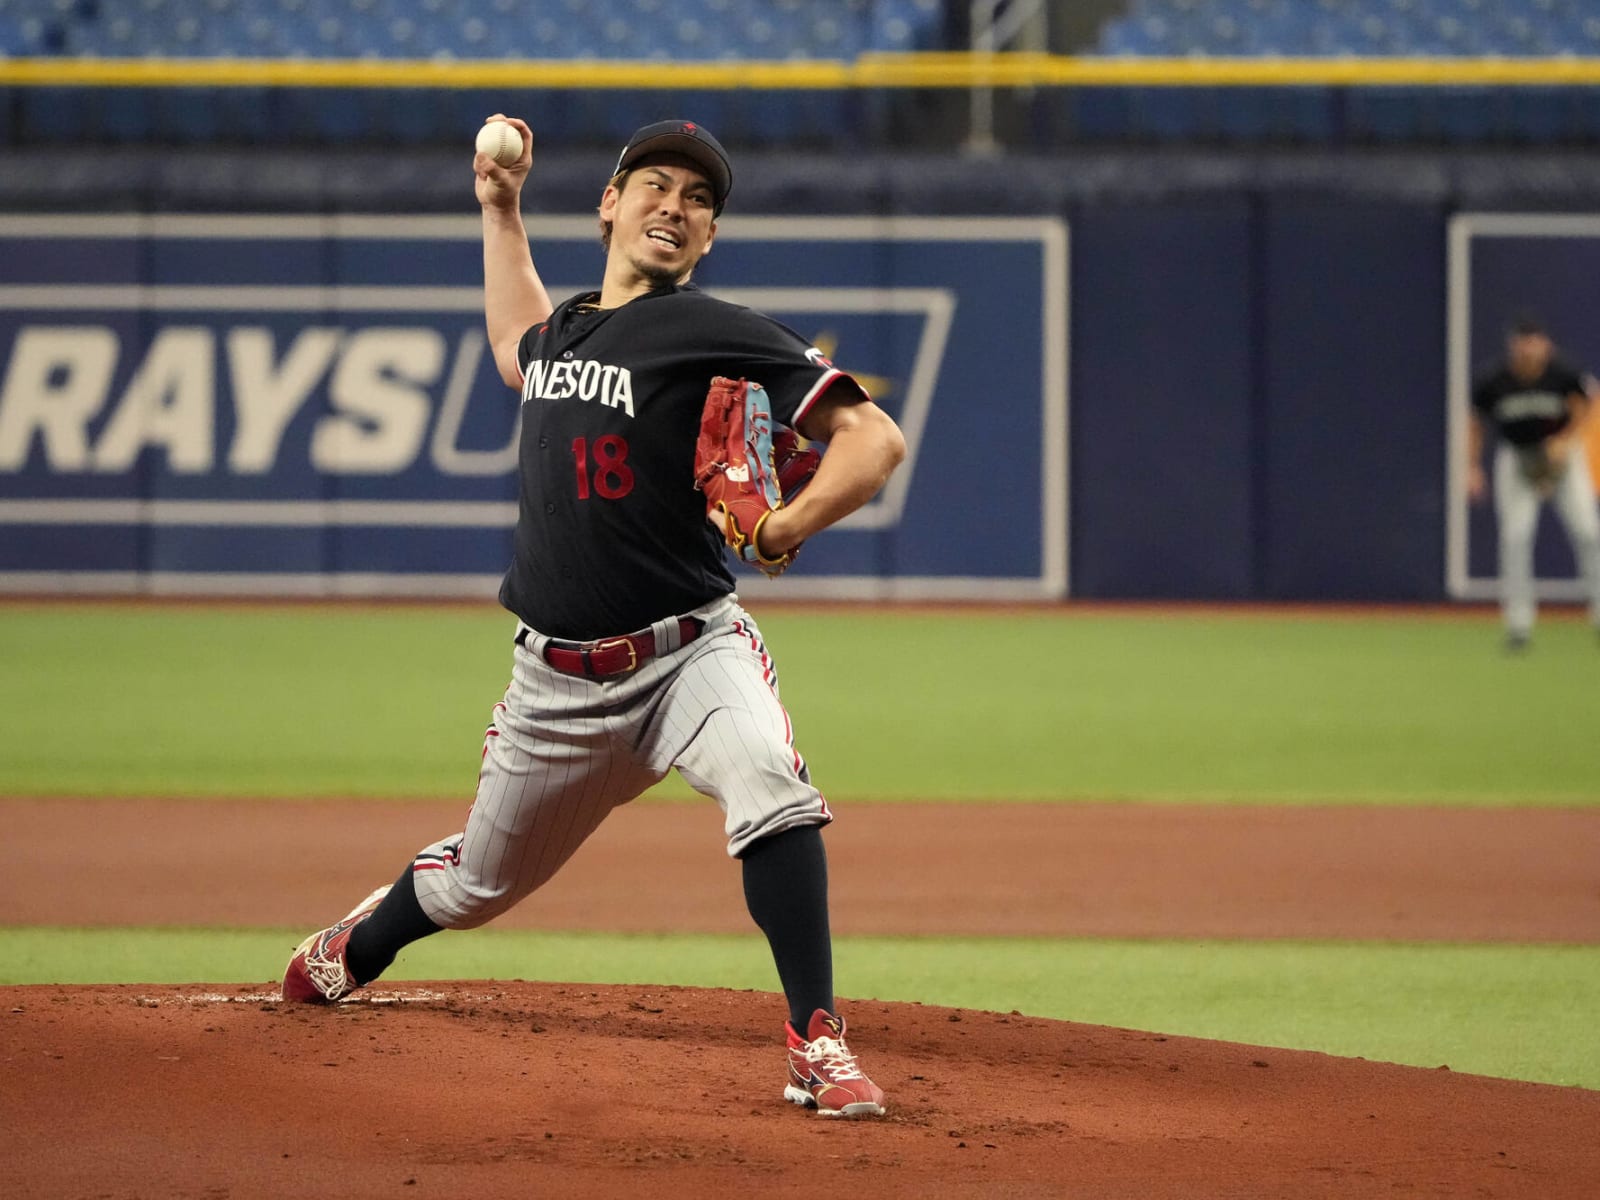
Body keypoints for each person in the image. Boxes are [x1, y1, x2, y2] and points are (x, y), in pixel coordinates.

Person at [281, 116, 907, 1118]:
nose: (677, 203)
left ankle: (816, 1039)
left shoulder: (711, 328)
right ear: (611, 204)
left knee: (769, 780)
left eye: (698, 199)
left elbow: (872, 438)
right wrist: (499, 209)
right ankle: (355, 945)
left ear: (707, 241)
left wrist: (786, 524)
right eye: (656, 183)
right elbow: (509, 340)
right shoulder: (567, 329)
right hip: (555, 689)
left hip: (688, 651)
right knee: (474, 888)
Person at [1468, 314, 1600, 650]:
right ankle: (1519, 626)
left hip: (1564, 461)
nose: (1528, 348)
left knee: (1588, 533)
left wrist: (1566, 439)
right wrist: (1471, 465)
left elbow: (1586, 405)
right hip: (1518, 459)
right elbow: (1475, 421)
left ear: (1545, 345)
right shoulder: (1495, 380)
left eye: (1534, 341)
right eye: (1522, 341)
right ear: (1512, 345)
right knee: (1515, 538)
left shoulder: (1563, 373)